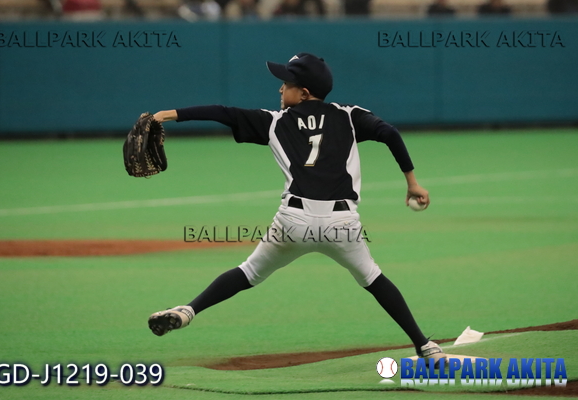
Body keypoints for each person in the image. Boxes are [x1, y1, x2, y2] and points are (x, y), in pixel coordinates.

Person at [147, 53, 446, 363]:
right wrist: (412, 182)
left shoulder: (275, 122)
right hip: (341, 225)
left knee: (248, 272)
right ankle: (424, 345)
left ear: (303, 93)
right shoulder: (349, 115)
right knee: (374, 279)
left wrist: (166, 115)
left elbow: (222, 113)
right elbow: (389, 133)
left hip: (293, 222)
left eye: (286, 83)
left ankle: (188, 310)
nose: (280, 89)